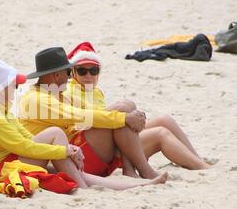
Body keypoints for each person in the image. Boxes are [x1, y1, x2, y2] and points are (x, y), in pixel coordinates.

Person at [0, 55, 166, 191]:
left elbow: (24, 139)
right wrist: (63, 149)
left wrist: (65, 150)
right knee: (58, 135)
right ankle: (86, 189)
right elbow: (23, 146)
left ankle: (140, 184)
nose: (15, 90)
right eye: (12, 86)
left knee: (67, 154)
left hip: (8, 159)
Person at [18, 47, 168, 183]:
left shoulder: (55, 93)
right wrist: (124, 118)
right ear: (57, 75)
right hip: (64, 159)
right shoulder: (37, 100)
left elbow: (90, 110)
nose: (70, 78)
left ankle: (131, 169)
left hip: (73, 151)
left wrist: (126, 114)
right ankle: (142, 169)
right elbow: (81, 116)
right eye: (69, 72)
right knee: (123, 115)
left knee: (125, 105)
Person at [65, 42, 211, 178]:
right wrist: (123, 118)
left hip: (107, 147)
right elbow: (79, 124)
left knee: (164, 121)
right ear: (73, 72)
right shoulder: (68, 90)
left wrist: (124, 120)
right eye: (82, 71)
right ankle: (140, 168)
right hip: (82, 151)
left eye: (93, 70)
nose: (89, 76)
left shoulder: (96, 92)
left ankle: (199, 163)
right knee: (126, 109)